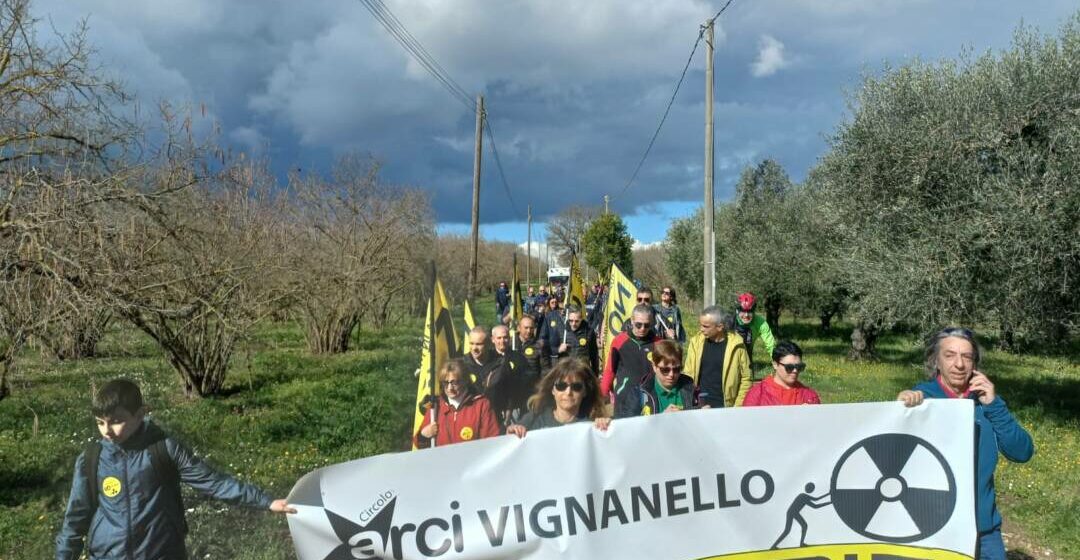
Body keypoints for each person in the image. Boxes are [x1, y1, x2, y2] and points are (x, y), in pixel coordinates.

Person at [56, 379, 294, 559]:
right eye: (100, 422)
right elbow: (76, 516)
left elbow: (213, 482)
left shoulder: (163, 450)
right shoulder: (91, 458)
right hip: (108, 555)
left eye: (116, 421)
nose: (107, 430)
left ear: (140, 414)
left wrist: (266, 501)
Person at [897, 327, 1033, 560]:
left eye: (967, 357)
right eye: (949, 355)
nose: (959, 364)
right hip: (936, 528)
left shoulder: (986, 402)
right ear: (936, 361)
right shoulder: (923, 401)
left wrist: (994, 405)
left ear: (974, 363)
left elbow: (1022, 452)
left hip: (984, 528)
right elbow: (894, 454)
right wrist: (900, 409)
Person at [506, 359, 610, 436]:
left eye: (576, 387)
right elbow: (510, 449)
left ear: (585, 391)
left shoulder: (592, 425)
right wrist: (513, 433)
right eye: (561, 386)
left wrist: (605, 429)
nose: (568, 392)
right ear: (553, 389)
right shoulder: (533, 419)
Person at [415, 360, 501, 448]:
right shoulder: (436, 406)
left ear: (465, 381)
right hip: (443, 460)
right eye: (445, 383)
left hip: (472, 460)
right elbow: (420, 446)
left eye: (454, 383)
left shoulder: (481, 405)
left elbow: (492, 442)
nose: (449, 388)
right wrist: (423, 436)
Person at [683, 306, 752, 408]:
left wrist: (737, 406)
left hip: (726, 407)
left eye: (705, 326)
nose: (701, 329)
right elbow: (687, 375)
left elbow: (746, 378)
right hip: (699, 406)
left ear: (720, 327)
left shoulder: (737, 346)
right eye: (700, 325)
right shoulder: (696, 343)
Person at [615, 340, 701, 418]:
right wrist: (661, 418)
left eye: (677, 369)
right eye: (665, 370)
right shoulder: (639, 393)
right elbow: (629, 426)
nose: (671, 374)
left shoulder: (691, 389)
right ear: (654, 367)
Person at [600, 304, 661, 399]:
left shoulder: (659, 343)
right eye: (638, 324)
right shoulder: (619, 341)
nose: (642, 329)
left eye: (646, 325)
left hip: (650, 397)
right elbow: (610, 369)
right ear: (632, 321)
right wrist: (603, 393)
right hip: (624, 397)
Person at [743, 341, 821, 406]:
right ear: (775, 364)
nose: (795, 371)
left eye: (799, 366)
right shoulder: (757, 395)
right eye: (789, 367)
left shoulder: (810, 397)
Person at [489, 325, 532, 423]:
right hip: (493, 409)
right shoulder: (488, 359)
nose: (502, 341)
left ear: (510, 338)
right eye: (499, 338)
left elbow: (527, 379)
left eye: (505, 337)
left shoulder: (518, 357)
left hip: (515, 407)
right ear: (492, 339)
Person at [733, 292, 776, 367]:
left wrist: (776, 360)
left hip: (747, 351)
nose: (746, 315)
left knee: (748, 374)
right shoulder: (730, 321)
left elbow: (770, 344)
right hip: (730, 352)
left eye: (749, 311)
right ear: (737, 310)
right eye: (743, 311)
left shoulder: (760, 323)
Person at [553, 306, 599, 373]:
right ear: (568, 318)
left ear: (581, 319)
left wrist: (595, 375)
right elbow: (550, 350)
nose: (573, 324)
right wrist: (558, 350)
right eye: (571, 321)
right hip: (566, 372)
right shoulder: (562, 330)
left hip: (582, 372)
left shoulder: (589, 332)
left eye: (576, 321)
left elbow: (594, 355)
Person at [515, 314, 549, 379]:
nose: (529, 331)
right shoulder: (511, 344)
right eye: (526, 328)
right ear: (519, 328)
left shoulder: (539, 346)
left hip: (532, 385)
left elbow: (545, 370)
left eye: (531, 328)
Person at [538, 296, 562, 361]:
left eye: (555, 302)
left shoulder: (561, 313)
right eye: (552, 302)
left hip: (561, 347)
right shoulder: (546, 315)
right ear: (549, 303)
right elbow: (542, 332)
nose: (554, 304)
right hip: (551, 349)